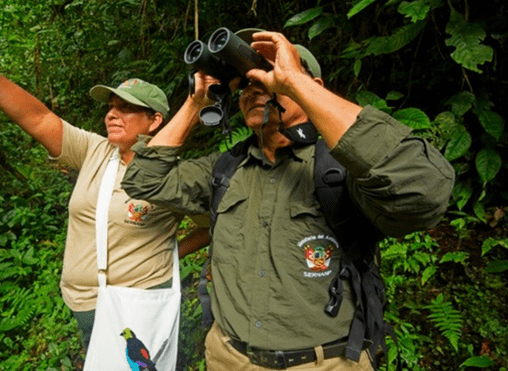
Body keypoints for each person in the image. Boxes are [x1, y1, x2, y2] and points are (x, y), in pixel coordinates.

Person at [122, 29, 455, 370]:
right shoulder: (226, 169)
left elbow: (426, 189)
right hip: (229, 358)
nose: (254, 87)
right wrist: (195, 103)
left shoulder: (340, 169)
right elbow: (144, 180)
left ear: (313, 87)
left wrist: (295, 82)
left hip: (324, 362)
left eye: (267, 76)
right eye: (245, 83)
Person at [0, 15, 211, 353]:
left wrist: (169, 257)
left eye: (127, 108)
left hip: (139, 306)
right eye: (110, 107)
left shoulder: (175, 176)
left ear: (155, 119)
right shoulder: (93, 150)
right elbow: (36, 116)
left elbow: (209, 227)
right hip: (85, 305)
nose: (111, 114)